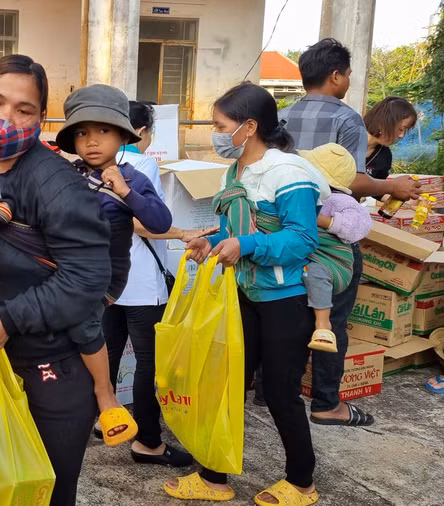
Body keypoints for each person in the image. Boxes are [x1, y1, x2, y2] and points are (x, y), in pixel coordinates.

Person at [0, 54, 111, 506]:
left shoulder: (57, 184)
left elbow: (87, 278)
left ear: (40, 119)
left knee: (45, 492)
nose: (5, 118)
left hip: (51, 370)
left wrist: (9, 318)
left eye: (24, 110)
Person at [168, 83, 325, 505]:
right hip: (242, 297)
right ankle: (213, 478)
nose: (217, 134)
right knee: (225, 386)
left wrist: (246, 246)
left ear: (249, 126)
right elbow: (237, 230)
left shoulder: (287, 174)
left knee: (279, 393)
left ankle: (301, 483)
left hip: (284, 302)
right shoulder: (234, 172)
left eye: (221, 126)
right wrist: (213, 241)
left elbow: (302, 239)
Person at [278, 38, 421, 425]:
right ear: (336, 76)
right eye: (349, 75)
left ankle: (274, 392)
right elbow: (353, 181)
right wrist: (393, 186)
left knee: (286, 311)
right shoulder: (346, 119)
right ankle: (326, 403)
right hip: (331, 236)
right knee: (333, 319)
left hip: (287, 228)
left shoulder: (283, 117)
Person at [53, 84, 173, 447]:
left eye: (104, 131)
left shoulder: (133, 177)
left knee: (141, 362)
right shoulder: (64, 179)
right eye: (83, 132)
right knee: (90, 357)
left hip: (113, 287)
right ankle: (93, 419)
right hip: (73, 289)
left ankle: (144, 436)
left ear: (122, 136)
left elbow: (160, 223)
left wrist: (125, 191)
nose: (92, 141)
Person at [92, 100, 211, 465]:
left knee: (108, 352)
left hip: (107, 279)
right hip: (141, 280)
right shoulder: (139, 165)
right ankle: (148, 441)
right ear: (142, 133)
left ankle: (103, 418)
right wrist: (182, 231)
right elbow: (145, 222)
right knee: (148, 363)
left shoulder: (91, 168)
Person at [298, 144, 373, 353]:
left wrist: (321, 220)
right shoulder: (311, 196)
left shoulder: (338, 200)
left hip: (332, 263)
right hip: (311, 258)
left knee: (332, 316)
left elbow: (358, 226)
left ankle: (324, 325)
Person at [364, 97, 419, 181]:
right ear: (384, 121)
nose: (401, 135)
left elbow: (378, 191)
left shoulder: (385, 156)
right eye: (401, 129)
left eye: (405, 131)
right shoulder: (346, 140)